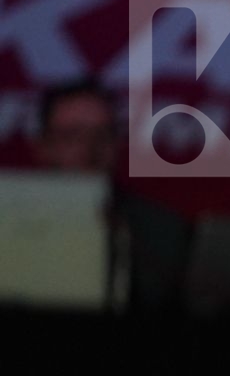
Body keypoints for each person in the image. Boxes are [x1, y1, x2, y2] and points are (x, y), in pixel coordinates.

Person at [33, 77, 190, 313]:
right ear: (43, 146)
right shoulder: (9, 223)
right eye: (73, 136)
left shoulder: (162, 229)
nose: (90, 149)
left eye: (103, 135)